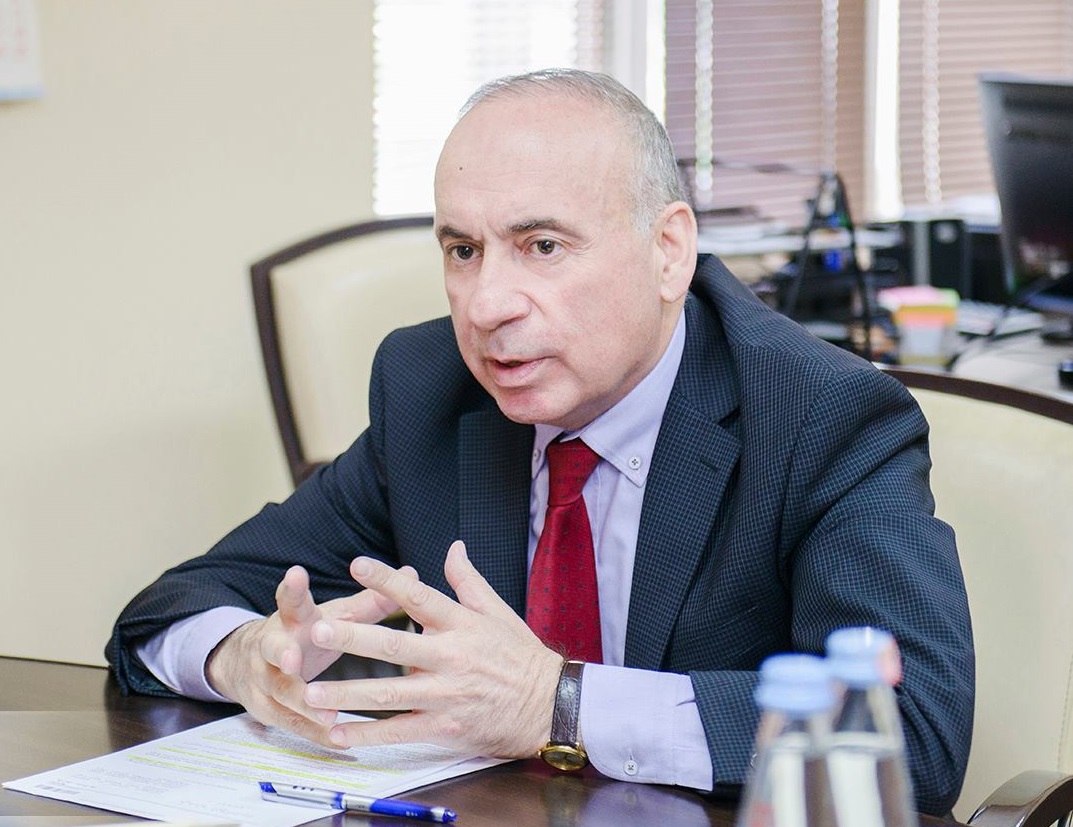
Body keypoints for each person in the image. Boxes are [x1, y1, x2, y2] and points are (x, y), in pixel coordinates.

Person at [108, 68, 974, 815]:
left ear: (667, 251)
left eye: (543, 245)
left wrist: (556, 703)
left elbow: (913, 733)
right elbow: (170, 608)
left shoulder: (818, 415)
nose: (487, 305)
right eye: (462, 250)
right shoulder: (430, 389)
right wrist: (243, 657)